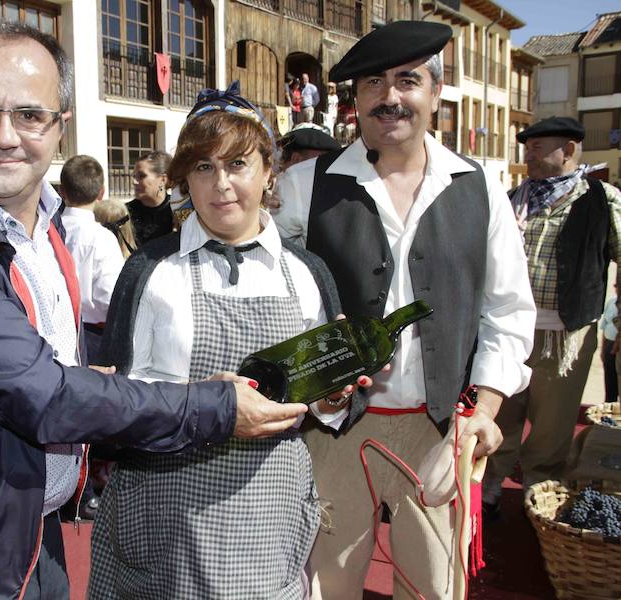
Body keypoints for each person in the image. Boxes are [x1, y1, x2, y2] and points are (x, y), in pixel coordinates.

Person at [0, 22, 306, 600]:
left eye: (30, 114)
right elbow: (42, 393)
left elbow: (53, 365)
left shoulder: (49, 222)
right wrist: (213, 405)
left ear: (61, 125)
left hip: (27, 527)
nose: (4, 134)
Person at [281, 22, 536, 599]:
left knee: (433, 589)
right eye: (373, 83)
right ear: (355, 100)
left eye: (407, 81)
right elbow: (274, 304)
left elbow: (507, 310)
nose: (390, 97)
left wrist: (485, 410)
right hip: (333, 432)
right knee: (326, 588)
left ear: (435, 94)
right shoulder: (302, 186)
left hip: (441, 430)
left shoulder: (481, 188)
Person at [89, 80, 360, 599]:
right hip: (165, 513)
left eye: (237, 164)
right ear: (185, 177)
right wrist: (196, 404)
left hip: (267, 510)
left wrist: (334, 396)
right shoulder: (149, 270)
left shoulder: (307, 273)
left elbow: (332, 404)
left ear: (268, 170)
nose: (221, 185)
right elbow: (115, 400)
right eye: (204, 167)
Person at [483, 117, 621, 511]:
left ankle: (540, 483)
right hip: (509, 327)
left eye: (540, 145)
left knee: (554, 419)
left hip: (567, 332)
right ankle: (493, 479)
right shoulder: (513, 199)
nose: (530, 152)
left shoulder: (602, 198)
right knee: (504, 407)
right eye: (528, 146)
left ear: (570, 150)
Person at [59, 155, 124, 346]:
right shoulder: (102, 238)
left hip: (55, 332)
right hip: (92, 335)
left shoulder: (46, 231)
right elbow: (109, 296)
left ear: (62, 192)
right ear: (101, 193)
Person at [127, 151, 173, 246]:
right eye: (134, 176)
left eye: (141, 176)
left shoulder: (178, 209)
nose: (134, 182)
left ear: (163, 179)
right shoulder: (125, 213)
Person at [599, 290, 619, 403]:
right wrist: (602, 350)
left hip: (618, 345)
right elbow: (604, 326)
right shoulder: (611, 302)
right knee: (609, 380)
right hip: (609, 345)